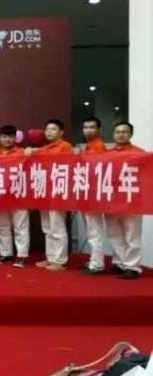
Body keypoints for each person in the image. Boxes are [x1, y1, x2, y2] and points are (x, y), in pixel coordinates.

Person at [26, 119, 74, 271]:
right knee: (47, 227)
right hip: (44, 192)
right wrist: (29, 151)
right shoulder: (45, 148)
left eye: (53, 129)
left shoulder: (66, 147)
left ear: (61, 132)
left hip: (58, 192)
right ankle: (51, 257)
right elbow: (30, 154)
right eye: (47, 129)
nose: (49, 132)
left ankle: (60, 260)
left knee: (57, 226)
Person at [105, 122, 146, 280]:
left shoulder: (140, 153)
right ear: (113, 134)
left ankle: (132, 267)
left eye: (124, 132)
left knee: (132, 235)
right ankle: (121, 262)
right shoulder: (107, 154)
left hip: (132, 200)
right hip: (112, 200)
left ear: (130, 134)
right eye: (117, 132)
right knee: (114, 233)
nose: (120, 134)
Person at [0, 125, 30, 268]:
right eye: (4, 137)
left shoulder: (23, 152)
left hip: (19, 195)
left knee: (20, 227)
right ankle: (6, 253)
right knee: (3, 226)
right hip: (1, 196)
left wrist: (32, 152)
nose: (7, 140)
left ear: (15, 138)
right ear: (0, 138)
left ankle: (21, 255)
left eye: (10, 137)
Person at [78, 117, 108, 275]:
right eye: (85, 127)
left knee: (94, 231)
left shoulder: (98, 146)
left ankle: (97, 265)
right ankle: (94, 261)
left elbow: (97, 171)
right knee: (92, 231)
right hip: (87, 194)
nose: (88, 130)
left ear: (98, 129)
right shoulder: (88, 146)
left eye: (92, 127)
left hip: (93, 195)